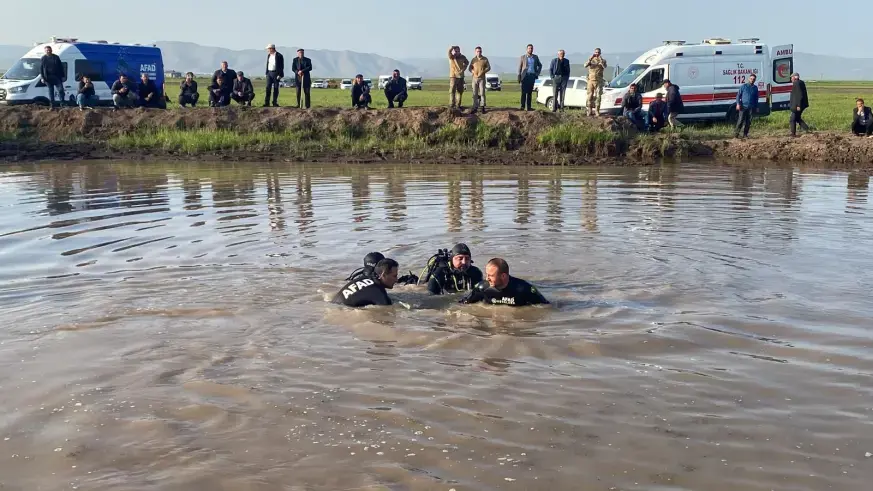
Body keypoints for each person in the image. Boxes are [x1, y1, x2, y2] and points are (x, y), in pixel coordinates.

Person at [459, 258, 549, 307]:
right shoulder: (482, 288)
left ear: (503, 276)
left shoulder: (524, 289)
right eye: (487, 274)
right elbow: (463, 304)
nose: (487, 278)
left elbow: (546, 307)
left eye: (491, 275)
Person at [332, 258, 399, 308]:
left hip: (333, 305)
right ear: (383, 275)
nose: (396, 280)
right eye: (394, 276)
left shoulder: (364, 278)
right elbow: (388, 311)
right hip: (341, 311)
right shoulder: (379, 293)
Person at [517, 44, 542, 111]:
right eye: (529, 48)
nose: (530, 49)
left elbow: (540, 65)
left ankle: (529, 107)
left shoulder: (535, 57)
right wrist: (519, 76)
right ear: (527, 49)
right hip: (525, 76)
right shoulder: (523, 57)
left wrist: (537, 73)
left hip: (532, 76)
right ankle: (522, 106)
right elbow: (520, 67)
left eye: (531, 48)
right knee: (523, 92)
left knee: (529, 92)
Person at [734, 74, 759, 138]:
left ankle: (745, 134)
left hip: (751, 107)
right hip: (743, 107)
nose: (752, 80)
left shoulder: (755, 88)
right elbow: (738, 96)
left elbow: (756, 98)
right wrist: (738, 104)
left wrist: (756, 107)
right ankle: (736, 134)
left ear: (755, 80)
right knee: (740, 120)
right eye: (751, 79)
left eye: (753, 79)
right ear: (749, 79)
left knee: (748, 122)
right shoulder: (744, 86)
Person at [584, 48, 607, 116]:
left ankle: (597, 110)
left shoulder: (603, 60)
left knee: (598, 96)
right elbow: (585, 65)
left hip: (599, 81)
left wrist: (601, 60)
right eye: (596, 52)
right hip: (591, 80)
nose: (597, 54)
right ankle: (589, 110)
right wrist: (590, 59)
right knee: (590, 96)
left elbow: (604, 67)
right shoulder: (591, 60)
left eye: (598, 52)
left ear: (600, 53)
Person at [468, 46, 491, 114]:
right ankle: (475, 107)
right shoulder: (473, 60)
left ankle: (482, 106)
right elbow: (470, 68)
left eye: (480, 51)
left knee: (482, 93)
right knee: (474, 93)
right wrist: (473, 71)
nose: (479, 52)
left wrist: (483, 71)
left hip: (482, 78)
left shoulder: (485, 59)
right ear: (475, 52)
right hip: (474, 78)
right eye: (477, 51)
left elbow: (489, 67)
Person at [789, 72, 810, 137]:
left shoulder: (796, 83)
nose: (791, 79)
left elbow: (799, 95)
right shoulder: (801, 82)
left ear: (795, 77)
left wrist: (798, 105)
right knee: (797, 118)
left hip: (798, 105)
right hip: (802, 104)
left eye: (791, 77)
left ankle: (793, 134)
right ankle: (807, 129)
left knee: (792, 119)